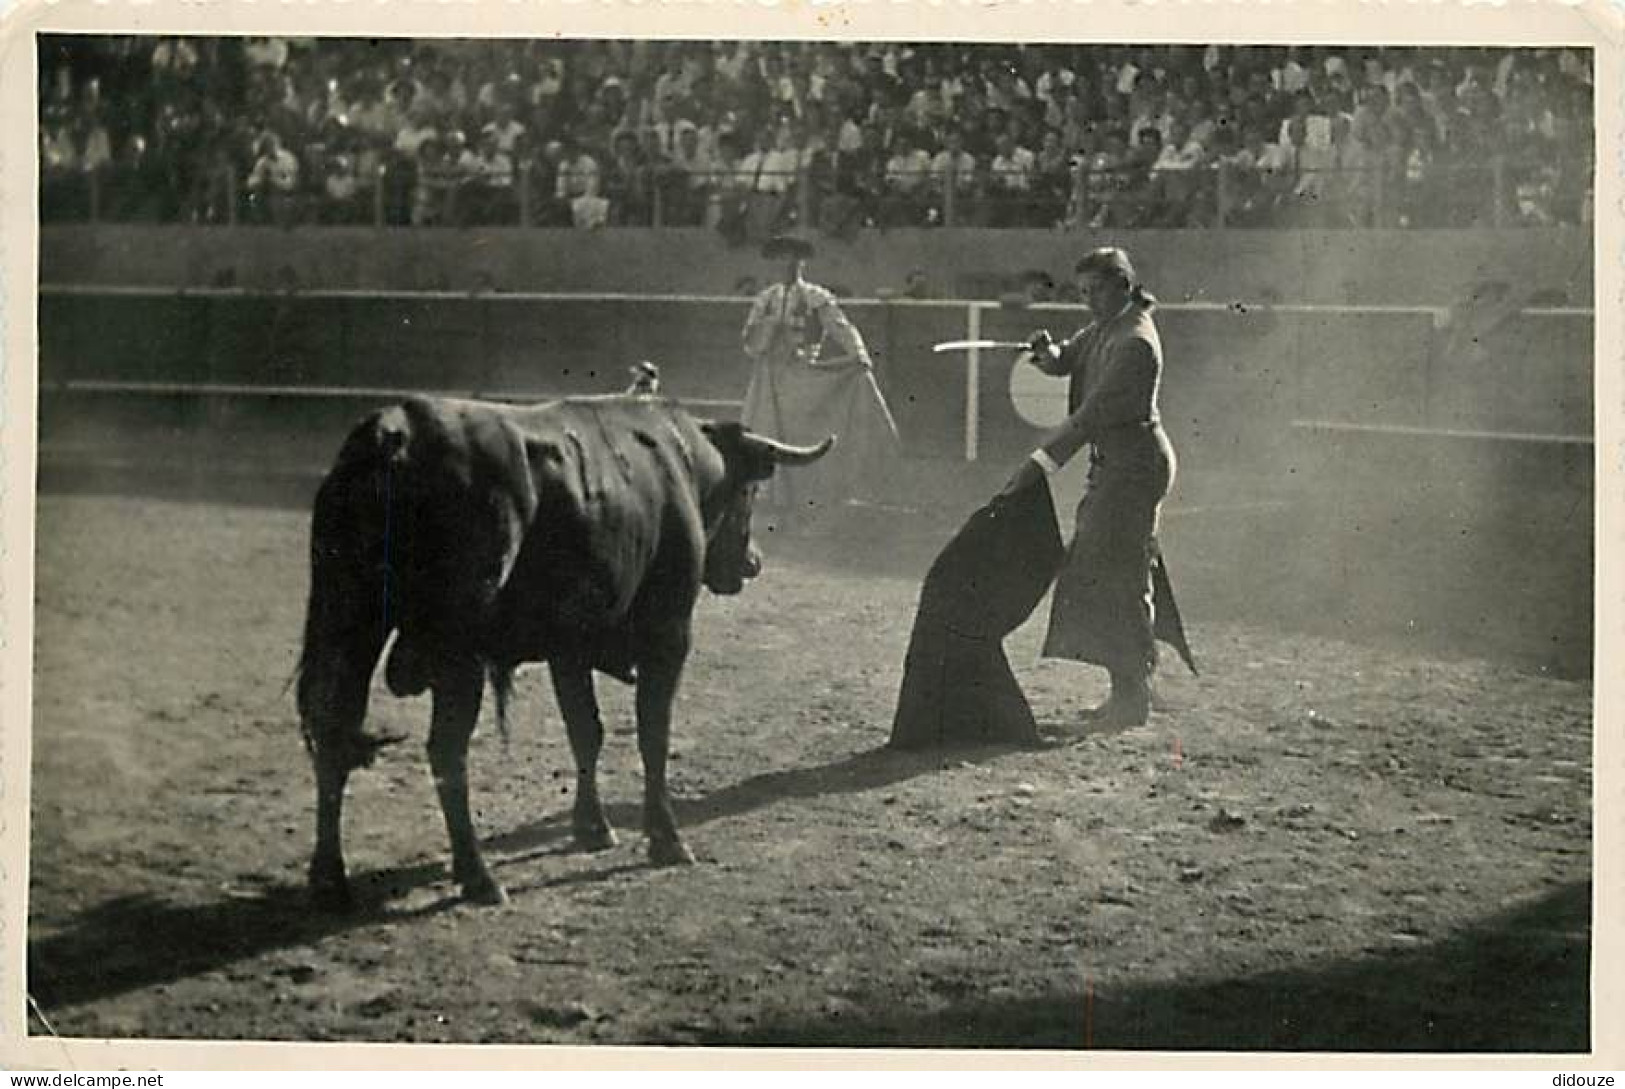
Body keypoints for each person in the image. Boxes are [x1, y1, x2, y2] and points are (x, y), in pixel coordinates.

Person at [1000, 246, 1178, 727]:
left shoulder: (1135, 341)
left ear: (1123, 284)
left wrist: (1037, 465)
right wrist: (1047, 354)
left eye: (1096, 290)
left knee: (1110, 572)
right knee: (1118, 569)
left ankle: (1131, 698)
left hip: (1134, 466)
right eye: (1082, 292)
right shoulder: (1108, 326)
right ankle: (1135, 682)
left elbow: (1087, 419)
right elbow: (1066, 361)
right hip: (1117, 463)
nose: (1088, 301)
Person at [740, 232, 900, 529]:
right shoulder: (765, 300)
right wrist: (769, 328)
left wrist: (859, 353)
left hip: (803, 378)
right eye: (781, 257)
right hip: (768, 378)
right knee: (765, 435)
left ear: (802, 263)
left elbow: (841, 327)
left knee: (801, 440)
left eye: (793, 258)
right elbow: (749, 343)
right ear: (774, 262)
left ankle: (805, 508)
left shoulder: (817, 297)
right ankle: (774, 508)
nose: (787, 263)